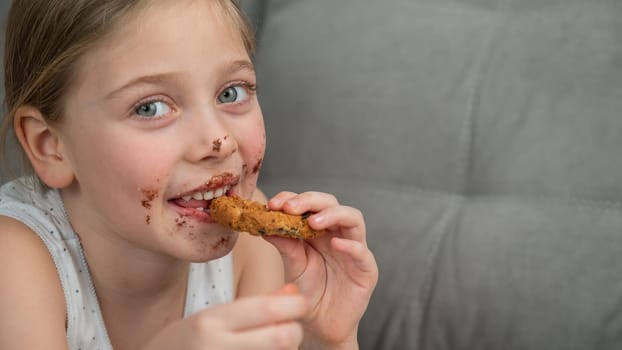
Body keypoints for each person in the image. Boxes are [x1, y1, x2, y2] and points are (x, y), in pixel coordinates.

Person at [0, 0, 378, 349]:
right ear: (50, 145)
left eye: (231, 93)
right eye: (150, 108)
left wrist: (325, 339)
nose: (218, 141)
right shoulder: (15, 263)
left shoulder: (252, 251)